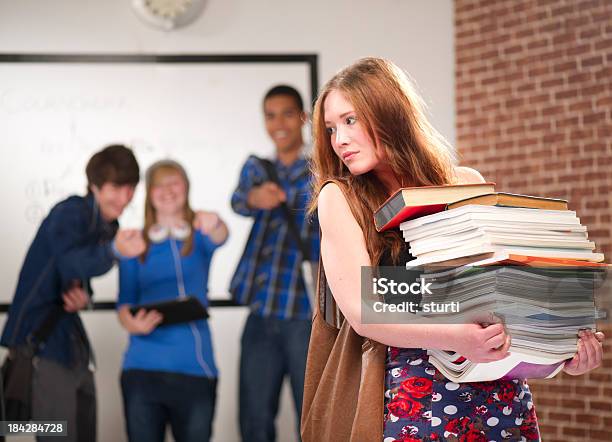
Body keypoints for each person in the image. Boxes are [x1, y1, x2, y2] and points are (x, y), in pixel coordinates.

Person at [304, 57, 604, 441]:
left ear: (389, 112)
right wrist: (454, 336)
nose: (339, 140)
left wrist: (562, 353)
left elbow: (508, 290)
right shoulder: (340, 197)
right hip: (411, 397)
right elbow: (364, 310)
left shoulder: (464, 182)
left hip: (498, 393)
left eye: (350, 120)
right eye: (331, 128)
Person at [1, 144, 143, 442]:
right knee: (55, 432)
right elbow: (71, 260)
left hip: (70, 346)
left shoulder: (105, 226)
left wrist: (84, 298)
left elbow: (73, 273)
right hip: (42, 347)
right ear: (94, 186)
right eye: (116, 187)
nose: (125, 197)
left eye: (130, 188)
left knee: (78, 432)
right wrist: (115, 249)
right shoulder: (71, 212)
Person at [230, 85, 321, 441]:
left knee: (310, 417)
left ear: (302, 118)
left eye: (286, 113)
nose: (278, 123)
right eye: (270, 115)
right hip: (262, 309)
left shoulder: (319, 168)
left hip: (304, 313)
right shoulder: (257, 168)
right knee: (254, 419)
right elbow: (237, 201)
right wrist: (255, 197)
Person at [116, 160, 228, 442]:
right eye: (159, 185)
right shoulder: (134, 244)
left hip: (195, 370)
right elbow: (124, 304)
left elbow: (221, 234)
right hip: (142, 370)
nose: (167, 190)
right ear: (149, 194)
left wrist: (216, 221)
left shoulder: (199, 236)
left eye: (174, 182)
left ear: (186, 188)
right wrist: (131, 323)